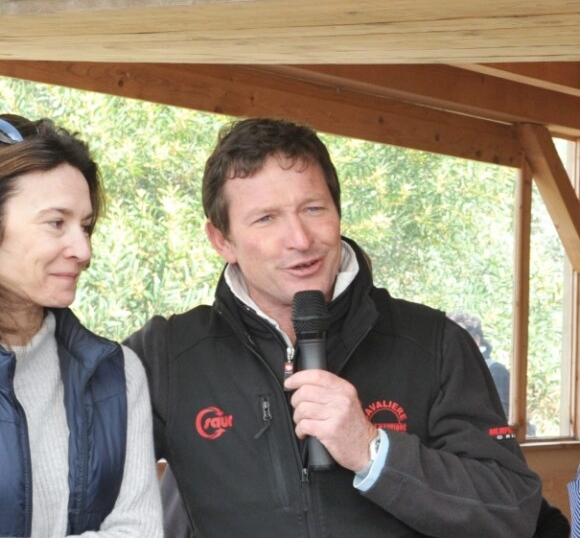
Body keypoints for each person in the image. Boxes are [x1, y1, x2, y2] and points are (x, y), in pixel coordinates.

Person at [127, 117, 544, 537]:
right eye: (266, 219)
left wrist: (373, 451)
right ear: (222, 241)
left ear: (338, 211)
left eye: (313, 208)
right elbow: (78, 474)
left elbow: (512, 510)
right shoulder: (169, 353)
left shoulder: (434, 342)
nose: (300, 238)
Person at [0, 114, 162, 537]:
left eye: (86, 227)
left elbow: (138, 531)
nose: (83, 249)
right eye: (57, 223)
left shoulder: (116, 373)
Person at [446, 311, 510, 417]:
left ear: (476, 340)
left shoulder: (496, 371)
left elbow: (502, 414)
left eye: (459, 338)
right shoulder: (445, 372)